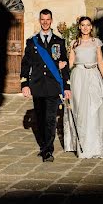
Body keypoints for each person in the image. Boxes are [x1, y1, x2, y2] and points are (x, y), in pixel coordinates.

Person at [20, 9, 71, 162]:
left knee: (50, 119)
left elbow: (65, 65)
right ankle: (43, 146)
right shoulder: (32, 41)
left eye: (48, 19)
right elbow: (25, 65)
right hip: (37, 86)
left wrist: (67, 87)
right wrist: (25, 84)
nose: (45, 22)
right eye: (43, 19)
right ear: (39, 20)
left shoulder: (59, 41)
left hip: (53, 86)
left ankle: (48, 150)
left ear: (51, 20)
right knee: (40, 119)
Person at [63, 16, 103, 159]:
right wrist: (62, 75)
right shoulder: (74, 43)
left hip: (94, 76)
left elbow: (101, 62)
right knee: (81, 110)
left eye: (87, 25)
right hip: (78, 77)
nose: (85, 27)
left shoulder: (96, 42)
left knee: (93, 110)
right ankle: (81, 146)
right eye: (82, 25)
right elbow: (70, 62)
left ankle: (94, 146)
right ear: (79, 27)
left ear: (91, 27)